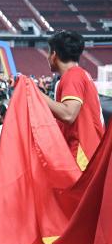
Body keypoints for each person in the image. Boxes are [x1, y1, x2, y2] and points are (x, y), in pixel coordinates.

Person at [42, 31, 104, 170]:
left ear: (54, 55)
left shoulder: (73, 77)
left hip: (82, 154)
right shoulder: (79, 74)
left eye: (48, 52)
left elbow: (68, 114)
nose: (47, 56)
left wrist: (36, 94)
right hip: (88, 151)